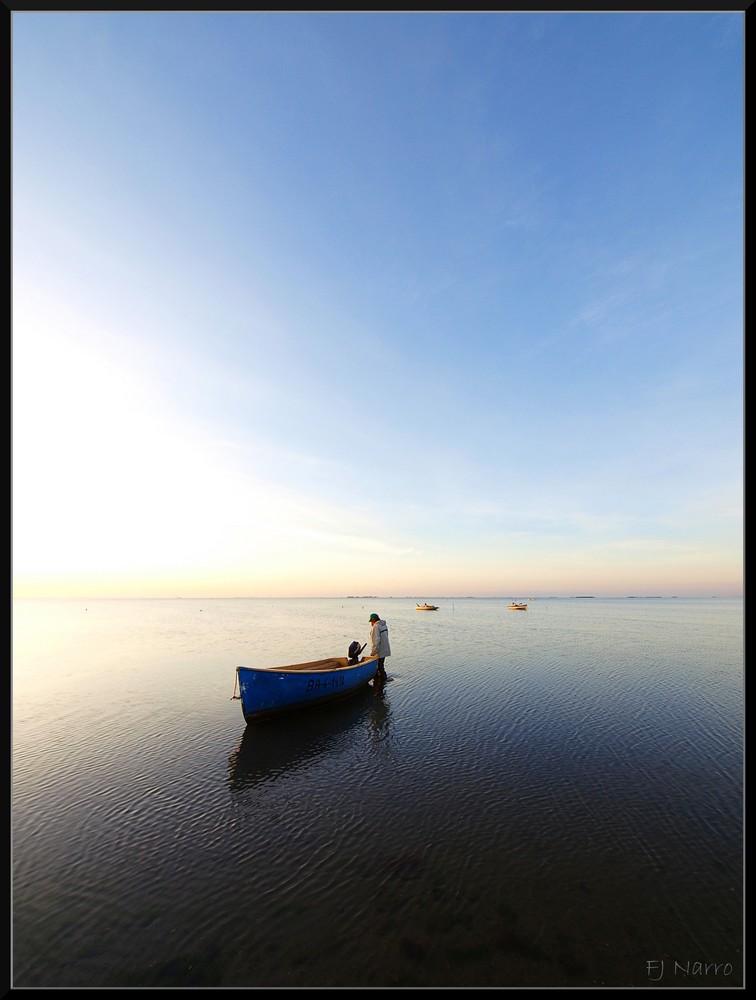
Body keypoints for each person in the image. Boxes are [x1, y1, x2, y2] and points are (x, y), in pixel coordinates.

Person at [368, 612, 391, 682]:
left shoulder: (376, 627)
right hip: (385, 649)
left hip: (379, 651)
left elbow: (376, 641)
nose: (371, 624)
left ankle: (382, 681)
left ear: (373, 620)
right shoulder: (384, 625)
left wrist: (373, 652)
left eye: (371, 621)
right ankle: (382, 681)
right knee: (381, 666)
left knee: (379, 667)